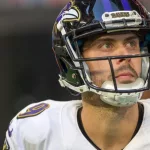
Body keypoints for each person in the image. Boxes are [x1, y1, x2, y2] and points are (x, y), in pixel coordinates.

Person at [3, 0, 150, 150]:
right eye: (107, 45)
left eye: (131, 44)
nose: (125, 55)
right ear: (72, 61)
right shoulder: (36, 131)